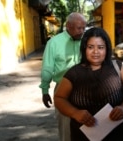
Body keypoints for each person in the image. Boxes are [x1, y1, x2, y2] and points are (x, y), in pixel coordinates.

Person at [54, 27, 123, 141]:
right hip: (83, 136)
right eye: (91, 47)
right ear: (84, 48)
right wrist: (75, 113)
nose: (96, 52)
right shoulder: (74, 73)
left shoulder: (118, 68)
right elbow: (59, 98)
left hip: (117, 135)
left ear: (107, 49)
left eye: (100, 47)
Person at [39, 12, 87, 141]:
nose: (82, 31)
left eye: (84, 28)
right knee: (67, 130)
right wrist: (45, 90)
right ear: (68, 26)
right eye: (79, 28)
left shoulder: (86, 41)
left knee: (88, 127)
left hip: (86, 88)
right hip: (63, 91)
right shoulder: (54, 43)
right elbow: (47, 69)